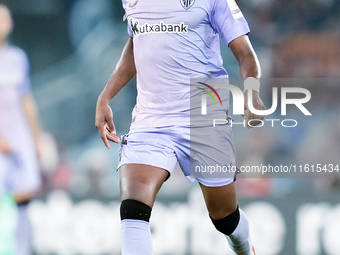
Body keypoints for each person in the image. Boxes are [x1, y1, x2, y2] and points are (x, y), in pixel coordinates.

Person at [95, 0, 265, 254]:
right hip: (151, 117)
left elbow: (245, 53)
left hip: (204, 115)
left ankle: (244, 248)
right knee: (133, 210)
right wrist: (106, 96)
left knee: (225, 218)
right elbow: (136, 43)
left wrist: (251, 92)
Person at [0, 4, 42, 255]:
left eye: (5, 17)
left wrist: (36, 138)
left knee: (23, 202)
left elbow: (26, 100)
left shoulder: (17, 58)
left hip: (19, 140)